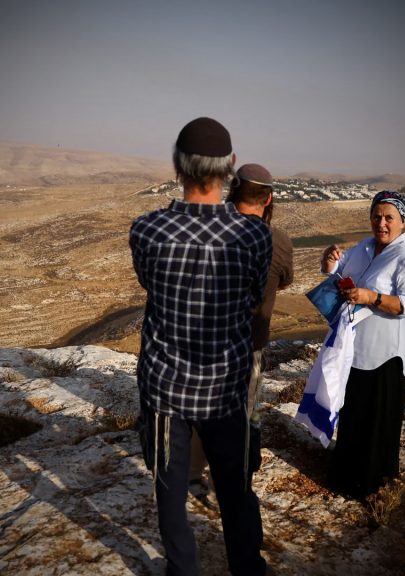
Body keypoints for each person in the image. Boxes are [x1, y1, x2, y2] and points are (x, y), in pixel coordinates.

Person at [130, 117, 271, 575]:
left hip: (165, 388)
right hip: (226, 389)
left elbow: (150, 285)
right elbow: (254, 296)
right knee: (235, 490)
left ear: (178, 164)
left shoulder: (147, 230)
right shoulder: (254, 235)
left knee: (170, 494)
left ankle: (182, 569)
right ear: (230, 166)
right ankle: (247, 567)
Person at [189, 163, 294, 488]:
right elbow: (284, 280)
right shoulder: (278, 241)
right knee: (245, 411)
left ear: (232, 192)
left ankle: (192, 472)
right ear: (268, 199)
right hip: (249, 343)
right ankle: (235, 478)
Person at [319, 190, 405, 499]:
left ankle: (372, 486)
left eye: (389, 218)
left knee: (377, 423)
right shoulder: (363, 248)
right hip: (355, 348)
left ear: (402, 221)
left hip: (386, 355)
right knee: (354, 416)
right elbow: (340, 275)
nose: (382, 223)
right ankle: (344, 478)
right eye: (376, 217)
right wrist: (330, 263)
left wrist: (372, 297)